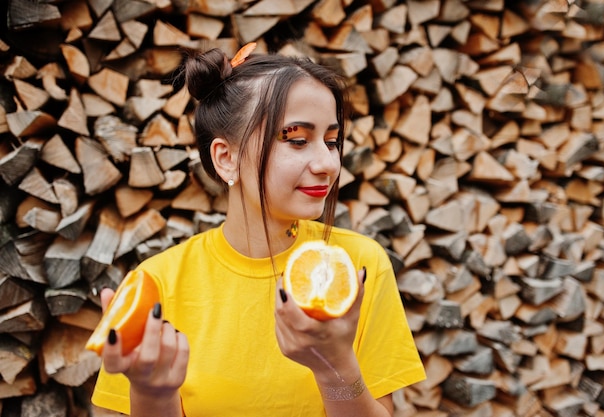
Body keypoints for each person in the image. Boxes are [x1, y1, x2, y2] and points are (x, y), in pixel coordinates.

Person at [90, 44, 426, 417]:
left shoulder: (358, 266)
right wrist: (153, 395)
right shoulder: (156, 284)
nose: (328, 163)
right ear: (226, 157)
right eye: (296, 139)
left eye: (331, 141)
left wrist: (335, 367)